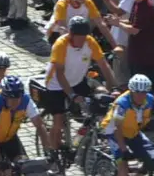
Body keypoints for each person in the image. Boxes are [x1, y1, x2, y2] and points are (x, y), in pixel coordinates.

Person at [42, 16, 114, 159]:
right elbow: (60, 74)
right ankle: (53, 154)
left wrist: (113, 88)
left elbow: (104, 65)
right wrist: (72, 95)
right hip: (56, 84)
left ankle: (87, 136)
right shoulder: (61, 44)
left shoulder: (90, 42)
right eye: (78, 37)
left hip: (77, 81)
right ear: (71, 34)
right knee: (58, 120)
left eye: (84, 37)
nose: (81, 41)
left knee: (101, 99)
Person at [102, 74, 154, 176]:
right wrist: (124, 149)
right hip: (114, 133)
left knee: (152, 158)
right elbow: (117, 129)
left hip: (133, 131)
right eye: (137, 93)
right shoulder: (122, 103)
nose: (141, 96)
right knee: (123, 169)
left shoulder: (150, 101)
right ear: (131, 92)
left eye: (144, 93)